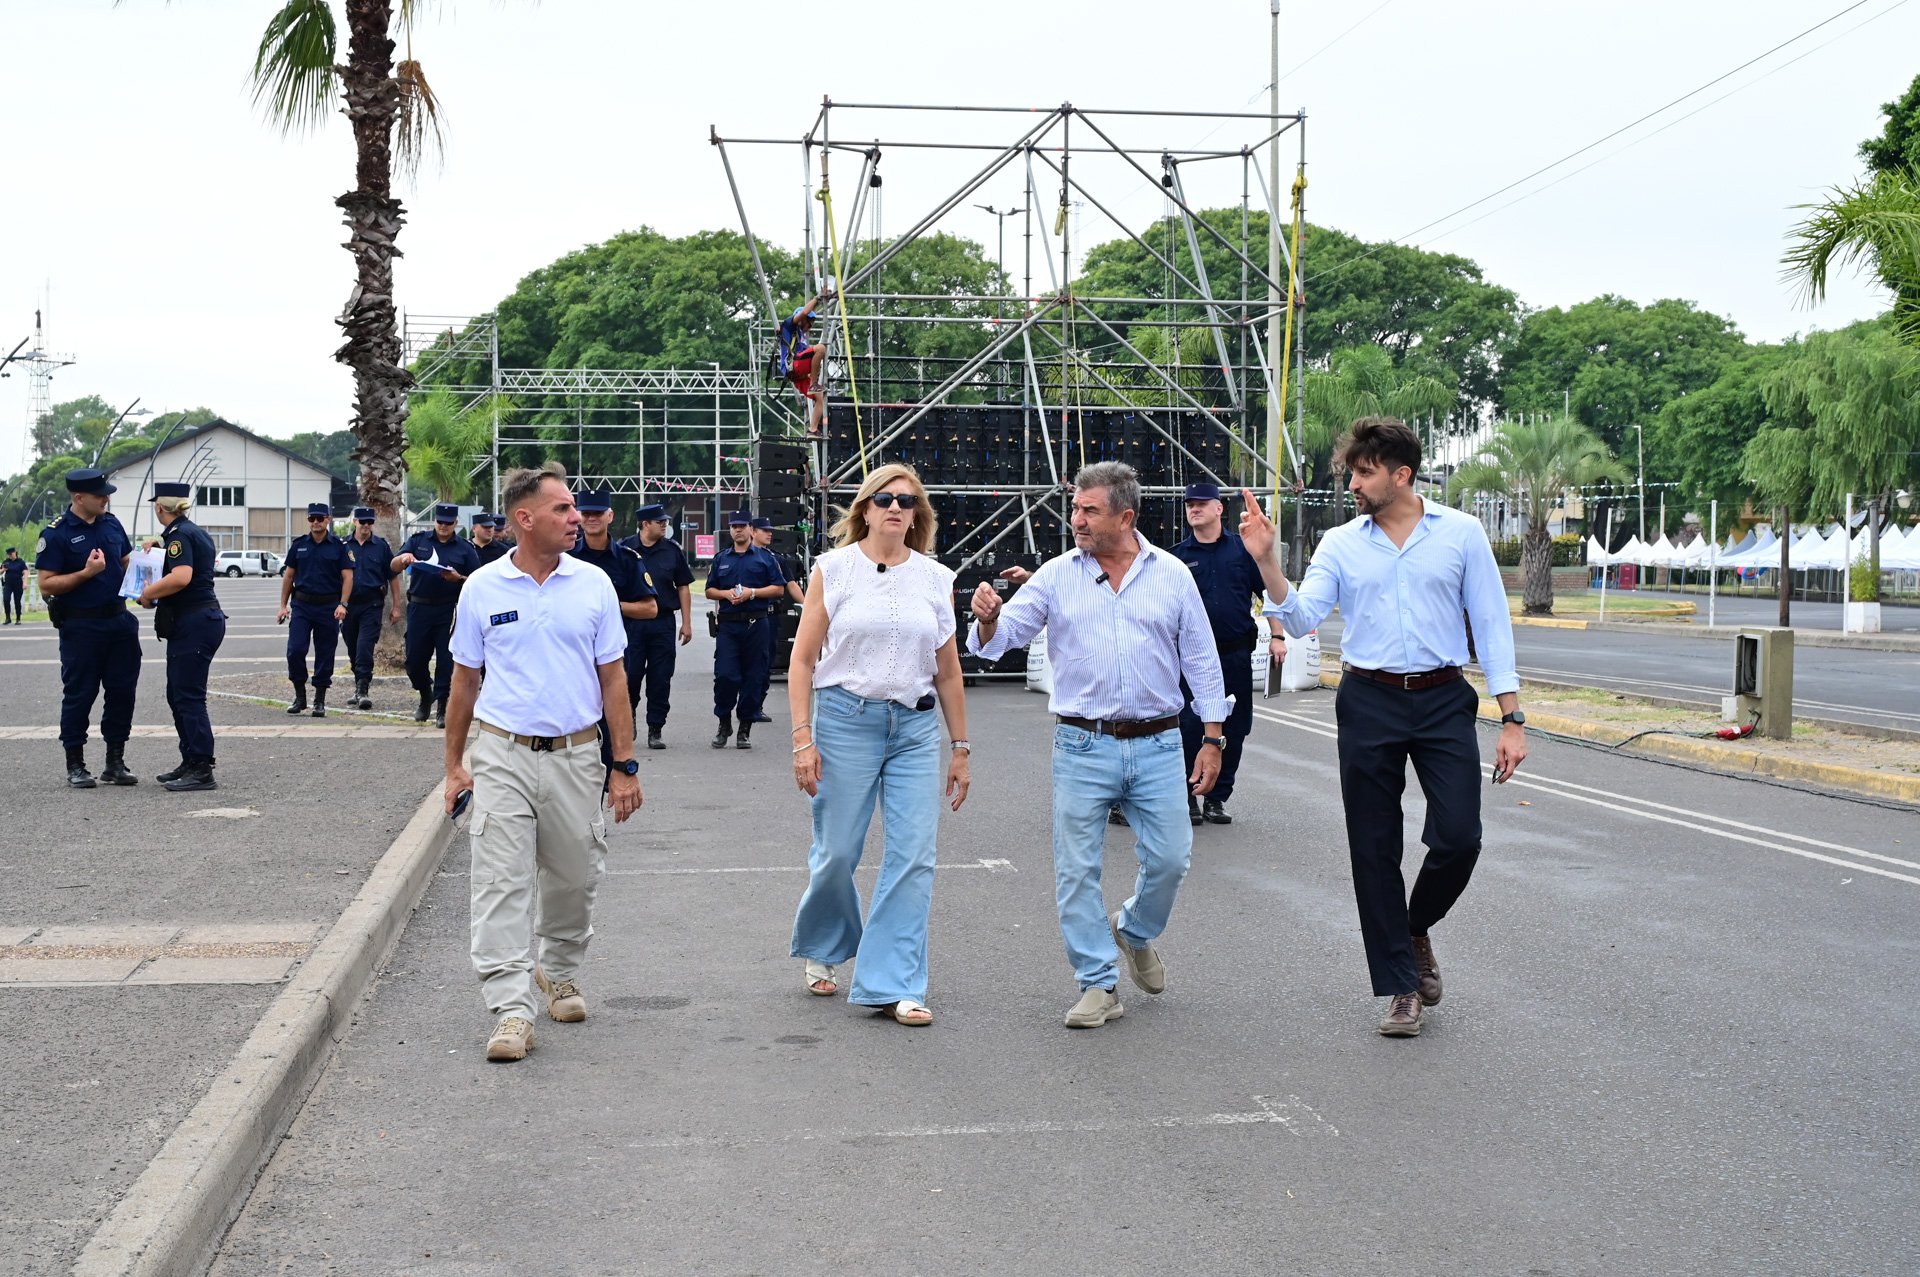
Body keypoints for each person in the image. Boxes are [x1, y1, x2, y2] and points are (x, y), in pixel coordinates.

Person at [1243, 416, 1528, 1038]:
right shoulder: (1342, 543)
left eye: (1364, 472)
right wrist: (1267, 561)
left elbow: (1492, 623)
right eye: (1352, 471)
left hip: (1443, 696)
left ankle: (1412, 926)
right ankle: (1401, 987)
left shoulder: (1461, 534)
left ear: (1400, 476)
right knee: (1374, 847)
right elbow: (1300, 619)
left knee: (1459, 837)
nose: (1353, 482)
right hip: (1368, 699)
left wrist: (1512, 717)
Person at [968, 461, 1228, 1029]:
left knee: (1170, 860)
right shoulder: (1058, 575)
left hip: (1160, 744)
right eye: (1076, 508)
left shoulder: (1172, 575)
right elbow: (999, 643)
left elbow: (1203, 663)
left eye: (1089, 510)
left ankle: (1133, 931)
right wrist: (987, 621)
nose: (1076, 520)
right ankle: (1097, 982)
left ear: (1125, 516)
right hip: (1082, 744)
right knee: (1076, 870)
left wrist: (1212, 738)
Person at [443, 463, 642, 1063]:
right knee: (500, 881)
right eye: (562, 509)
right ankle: (509, 1007)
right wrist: (455, 765)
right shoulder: (482, 588)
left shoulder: (593, 586)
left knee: (574, 875)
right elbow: (463, 681)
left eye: (574, 508)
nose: (576, 518)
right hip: (501, 753)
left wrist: (624, 763)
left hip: (577, 755)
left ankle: (557, 972)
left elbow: (614, 680)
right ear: (524, 519)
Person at [788, 464, 970, 1026]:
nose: (896, 507)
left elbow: (948, 671)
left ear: (918, 515)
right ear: (865, 508)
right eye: (885, 499)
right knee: (838, 851)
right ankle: (824, 945)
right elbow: (801, 659)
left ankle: (894, 982)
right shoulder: (834, 569)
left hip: (914, 731)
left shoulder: (937, 578)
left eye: (907, 501)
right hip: (846, 721)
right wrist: (802, 738)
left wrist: (960, 746)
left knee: (913, 856)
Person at [1172, 482, 1274, 828]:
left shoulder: (1242, 551)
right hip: (1189, 661)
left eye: (1202, 504)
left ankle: (1216, 798)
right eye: (1190, 505)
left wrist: (1279, 635)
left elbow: (1269, 594)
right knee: (1188, 726)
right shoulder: (1176, 559)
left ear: (1219, 509)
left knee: (1235, 726)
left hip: (1233, 656)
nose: (1194, 509)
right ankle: (1187, 794)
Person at [35, 468, 141, 788]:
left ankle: (115, 762)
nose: (106, 498)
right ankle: (76, 764)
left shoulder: (111, 523)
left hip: (119, 621)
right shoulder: (56, 533)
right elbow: (45, 584)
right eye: (100, 495)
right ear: (79, 498)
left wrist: (147, 559)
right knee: (80, 693)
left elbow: (125, 564)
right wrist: (85, 573)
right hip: (82, 624)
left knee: (122, 692)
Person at [136, 483, 227, 791]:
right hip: (198, 620)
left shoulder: (179, 536)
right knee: (177, 695)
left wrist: (146, 593)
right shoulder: (189, 532)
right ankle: (189, 759)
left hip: (194, 622)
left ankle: (202, 767)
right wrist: (156, 547)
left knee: (188, 697)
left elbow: (181, 576)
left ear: (160, 507)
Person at [567, 489, 658, 770]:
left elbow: (650, 608)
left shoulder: (628, 560)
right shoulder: (565, 556)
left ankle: (611, 774)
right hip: (571, 651)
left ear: (610, 515)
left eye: (598, 513)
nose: (592, 518)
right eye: (586, 513)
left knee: (609, 715)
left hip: (613, 651)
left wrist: (609, 606)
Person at [393, 503, 482, 727]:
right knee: (414, 659)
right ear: (435, 521)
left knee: (446, 660)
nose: (443, 526)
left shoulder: (464, 548)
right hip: (419, 608)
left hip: (448, 609)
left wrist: (458, 578)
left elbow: (477, 582)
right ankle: (425, 694)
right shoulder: (418, 540)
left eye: (448, 523)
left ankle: (442, 706)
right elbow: (393, 565)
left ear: (456, 524)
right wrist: (404, 559)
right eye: (440, 522)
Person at [706, 509, 784, 749]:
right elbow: (710, 590)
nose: (738, 530)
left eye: (742, 525)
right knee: (726, 675)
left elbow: (778, 589)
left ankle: (745, 729)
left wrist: (753, 592)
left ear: (751, 529)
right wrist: (725, 594)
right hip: (729, 626)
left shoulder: (765, 558)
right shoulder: (722, 558)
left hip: (756, 623)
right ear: (730, 529)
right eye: (734, 526)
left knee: (754, 676)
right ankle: (724, 722)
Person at [620, 504, 695, 749]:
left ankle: (655, 728)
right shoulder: (625, 549)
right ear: (645, 524)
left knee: (660, 679)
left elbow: (683, 585)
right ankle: (627, 714)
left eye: (665, 521)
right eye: (659, 521)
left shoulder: (671, 551)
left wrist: (686, 622)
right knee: (629, 676)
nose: (665, 525)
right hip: (631, 623)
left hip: (663, 623)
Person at [277, 503, 354, 718]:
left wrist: (343, 604)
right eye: (312, 518)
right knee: (295, 649)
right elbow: (289, 576)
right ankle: (299, 696)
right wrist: (283, 606)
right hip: (302, 605)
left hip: (329, 607)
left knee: (325, 652)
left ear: (328, 519)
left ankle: (319, 699)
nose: (316, 522)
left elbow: (348, 577)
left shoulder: (339, 547)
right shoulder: (299, 545)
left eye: (320, 518)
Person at [342, 507, 403, 710]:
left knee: (364, 647)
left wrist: (396, 606)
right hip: (348, 606)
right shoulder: (343, 546)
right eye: (362, 521)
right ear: (355, 522)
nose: (366, 525)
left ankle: (363, 690)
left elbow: (392, 577)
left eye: (369, 521)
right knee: (352, 647)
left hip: (372, 605)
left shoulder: (381, 547)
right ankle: (358, 684)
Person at [750, 515, 803, 724]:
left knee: (764, 663)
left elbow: (791, 584)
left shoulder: (776, 558)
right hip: (742, 617)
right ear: (752, 531)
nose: (770, 533)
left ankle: (756, 705)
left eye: (770, 530)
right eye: (764, 530)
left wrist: (808, 608)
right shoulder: (738, 555)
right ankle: (743, 702)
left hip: (769, 617)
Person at [777, 289, 834, 439]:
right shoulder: (790, 326)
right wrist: (817, 299)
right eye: (809, 325)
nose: (809, 329)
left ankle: (813, 430)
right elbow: (803, 313)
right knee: (820, 348)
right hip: (793, 364)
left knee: (819, 397)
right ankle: (814, 383)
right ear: (803, 320)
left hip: (798, 373)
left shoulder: (801, 337)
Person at [1, 547, 25, 623]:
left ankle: (18, 618)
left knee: (17, 601)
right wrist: (3, 570)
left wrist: (25, 582)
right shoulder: (6, 562)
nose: (10, 556)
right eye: (9, 555)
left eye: (11, 554)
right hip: (8, 583)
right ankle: (8, 617)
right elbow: (0, 571)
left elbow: (25, 571)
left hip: (18, 583)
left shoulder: (20, 562)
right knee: (6, 599)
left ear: (15, 553)